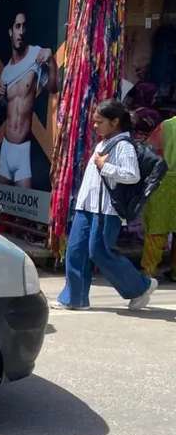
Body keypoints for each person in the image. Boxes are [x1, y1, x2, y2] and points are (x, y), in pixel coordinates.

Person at [56, 100, 157, 311]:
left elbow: (132, 175)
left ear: (115, 121)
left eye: (99, 122)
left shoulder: (123, 145)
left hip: (106, 210)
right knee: (76, 250)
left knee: (100, 252)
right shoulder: (103, 143)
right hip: (87, 206)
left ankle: (141, 286)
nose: (95, 126)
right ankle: (74, 298)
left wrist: (105, 166)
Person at [0, 11, 58, 189]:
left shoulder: (36, 55)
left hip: (23, 148)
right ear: (11, 32)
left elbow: (53, 88)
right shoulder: (6, 71)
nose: (21, 32)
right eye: (17, 26)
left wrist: (51, 62)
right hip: (6, 147)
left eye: (24, 26)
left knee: (26, 202)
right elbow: (2, 111)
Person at [140, 115, 176, 282]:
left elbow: (150, 151)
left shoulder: (167, 126)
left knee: (157, 229)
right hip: (166, 181)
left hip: (164, 182)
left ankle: (149, 271)